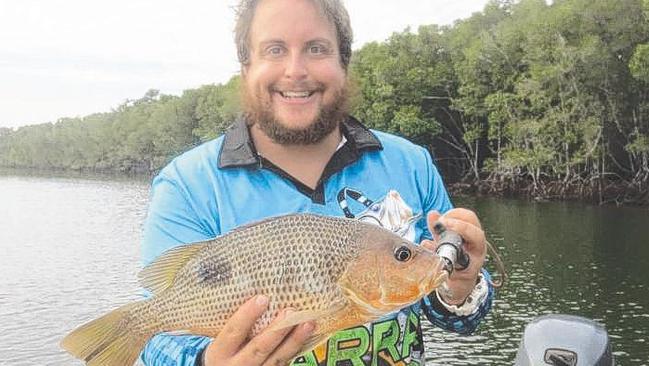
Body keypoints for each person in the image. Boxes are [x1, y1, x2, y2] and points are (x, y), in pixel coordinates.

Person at [139, 0, 495, 365]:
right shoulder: (186, 185)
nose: (295, 70)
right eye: (275, 49)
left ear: (344, 62)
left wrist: (460, 288)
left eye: (316, 48)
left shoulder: (412, 163)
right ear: (246, 67)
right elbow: (153, 340)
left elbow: (458, 319)